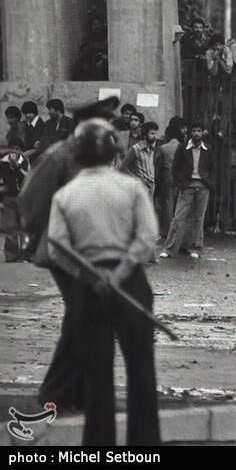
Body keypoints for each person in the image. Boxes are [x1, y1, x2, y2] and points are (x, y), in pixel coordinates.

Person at [47, 118, 160, 446]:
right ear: (112, 151)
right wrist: (120, 272)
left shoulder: (66, 195)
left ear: (78, 154)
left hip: (88, 286)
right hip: (130, 283)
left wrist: (89, 276)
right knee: (141, 371)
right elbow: (147, 238)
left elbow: (57, 246)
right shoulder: (131, 188)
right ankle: (144, 447)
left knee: (97, 377)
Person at [17, 96, 120, 414]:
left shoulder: (100, 157)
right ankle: (60, 391)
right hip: (65, 251)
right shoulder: (59, 155)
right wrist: (37, 237)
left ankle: (76, 391)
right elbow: (31, 199)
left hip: (97, 249)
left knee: (87, 316)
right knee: (85, 314)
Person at [161, 122, 215, 260]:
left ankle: (195, 247)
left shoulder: (208, 149)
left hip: (203, 186)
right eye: (194, 131)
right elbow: (175, 167)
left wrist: (210, 183)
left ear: (203, 132)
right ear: (190, 132)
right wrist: (180, 183)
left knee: (198, 218)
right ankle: (170, 248)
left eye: (199, 131)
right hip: (187, 185)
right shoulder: (182, 147)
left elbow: (213, 168)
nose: (197, 133)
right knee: (179, 217)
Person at [0, 138, 30, 262]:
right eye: (12, 148)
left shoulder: (24, 162)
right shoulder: (2, 163)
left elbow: (28, 177)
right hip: (9, 197)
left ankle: (26, 254)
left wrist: (17, 167)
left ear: (21, 151)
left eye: (17, 149)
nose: (14, 152)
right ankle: (11, 255)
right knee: (10, 226)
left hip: (23, 197)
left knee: (24, 226)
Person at [154, 119, 184, 238]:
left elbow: (158, 165)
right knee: (180, 205)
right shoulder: (182, 147)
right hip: (180, 178)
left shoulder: (163, 148)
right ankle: (178, 232)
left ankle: (168, 231)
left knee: (167, 204)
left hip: (166, 177)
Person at [120, 121, 159, 198]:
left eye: (156, 133)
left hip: (151, 186)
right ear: (145, 135)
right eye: (152, 134)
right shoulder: (135, 149)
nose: (155, 136)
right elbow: (122, 168)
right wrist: (137, 180)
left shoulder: (153, 148)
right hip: (140, 187)